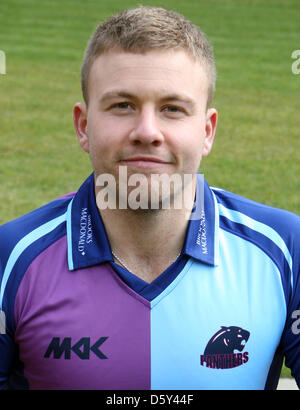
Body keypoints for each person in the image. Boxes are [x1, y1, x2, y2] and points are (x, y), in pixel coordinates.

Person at [0, 6, 299, 390]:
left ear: (207, 131)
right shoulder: (11, 258)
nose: (147, 132)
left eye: (172, 109)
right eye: (122, 105)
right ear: (83, 125)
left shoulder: (286, 251)